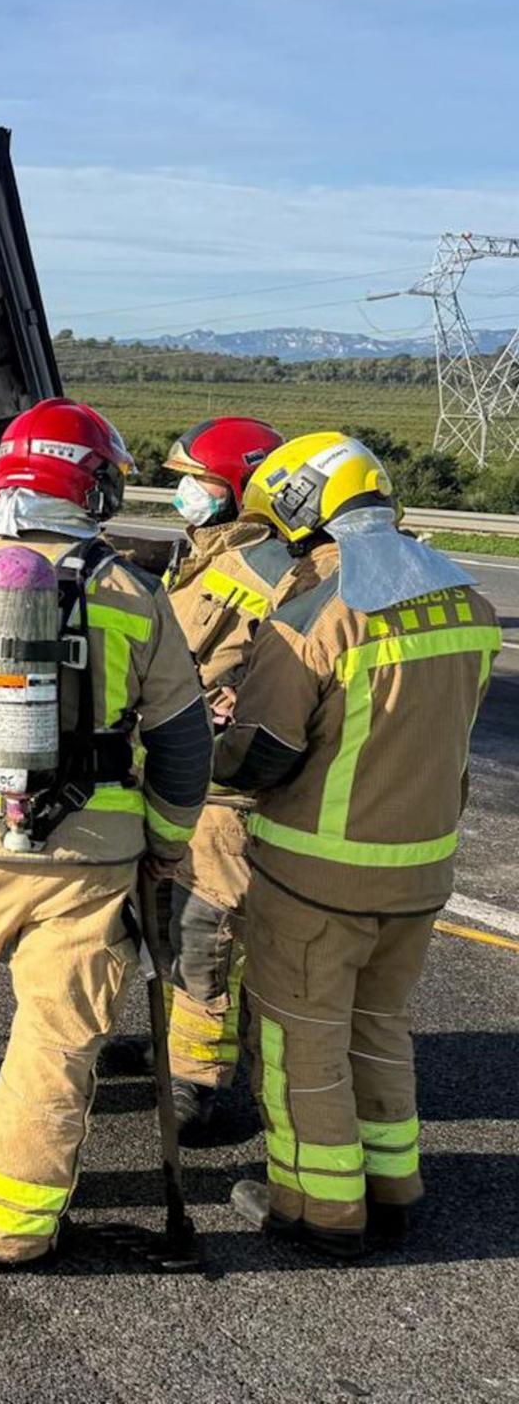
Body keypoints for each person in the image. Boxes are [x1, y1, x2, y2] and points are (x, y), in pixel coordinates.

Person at [0, 398, 213, 1268]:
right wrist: (167, 842)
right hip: (94, 862)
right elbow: (181, 742)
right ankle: (16, 1226)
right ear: (83, 482)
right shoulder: (134, 591)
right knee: (58, 1037)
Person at [214, 433, 501, 1258]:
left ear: (304, 509)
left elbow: (264, 752)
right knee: (378, 1026)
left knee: (298, 1039)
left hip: (317, 874)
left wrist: (210, 745)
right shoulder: (468, 602)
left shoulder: (318, 613)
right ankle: (393, 1185)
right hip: (421, 871)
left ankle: (318, 1208)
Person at [159, 417, 290, 1141]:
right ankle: (167, 1041)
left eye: (198, 482)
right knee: (163, 921)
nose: (184, 494)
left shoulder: (267, 569)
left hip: (225, 794)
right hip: (178, 774)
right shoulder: (204, 555)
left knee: (207, 930)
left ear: (239, 491)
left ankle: (197, 1080)